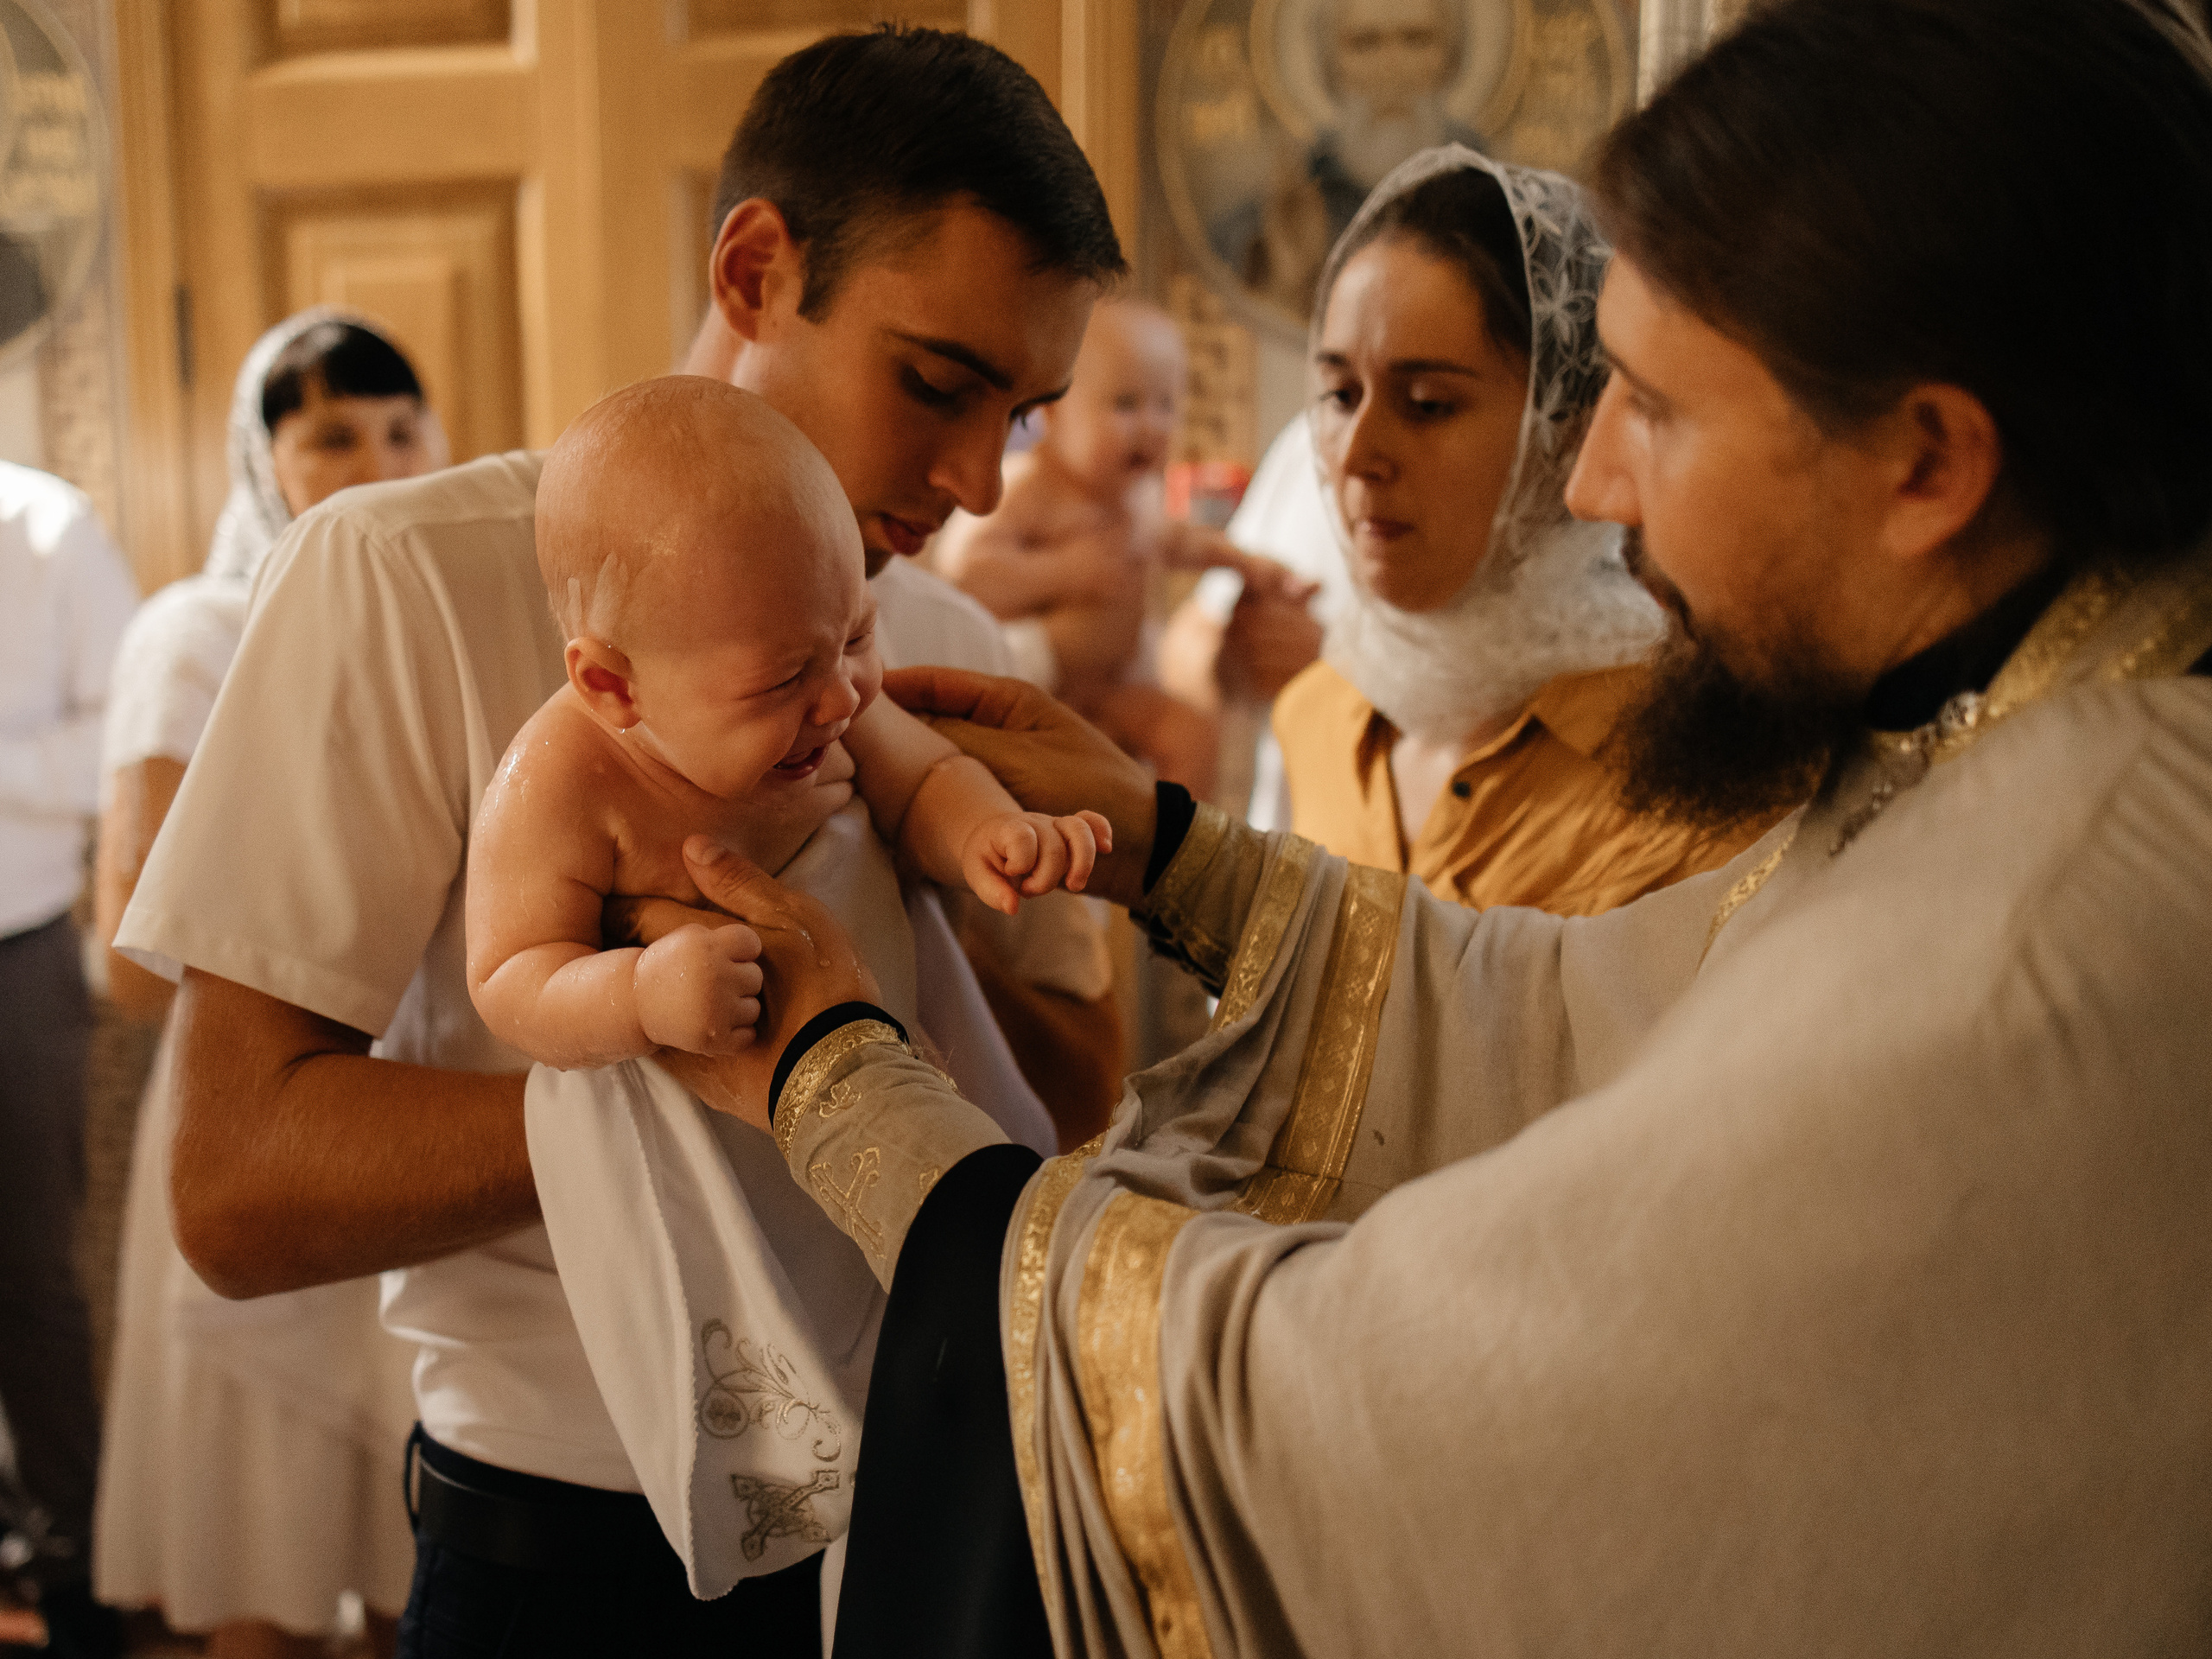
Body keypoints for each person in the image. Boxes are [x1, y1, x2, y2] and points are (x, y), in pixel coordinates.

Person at [613, 0, 2212, 1651]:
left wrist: (849, 1096)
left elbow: (1397, 1413)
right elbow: (1605, 1014)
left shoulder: (2058, 923)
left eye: (1653, 405)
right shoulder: (2033, 737)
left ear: (1929, 460)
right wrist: (1184, 850)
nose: (1594, 484)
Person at [113, 27, 1122, 1657]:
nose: (977, 482)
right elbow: (234, 1192)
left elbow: (1066, 1099)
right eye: (937, 384)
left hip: (932, 1515)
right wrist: (706, 1078)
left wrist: (1030, 885)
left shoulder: (933, 637)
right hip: (563, 1552)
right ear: (753, 267)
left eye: (1026, 410)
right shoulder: (400, 579)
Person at [92, 310, 444, 1659]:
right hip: (254, 1109)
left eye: (401, 429)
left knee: (408, 1525)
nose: (374, 460)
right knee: (264, 1541)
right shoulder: (195, 634)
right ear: (265, 460)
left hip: (409, 1105)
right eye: (331, 437)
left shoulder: (447, 618)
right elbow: (130, 951)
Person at [468, 378, 1107, 1071]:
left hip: (894, 1048)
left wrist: (984, 830)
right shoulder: (565, 780)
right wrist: (639, 996)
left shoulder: (826, 694)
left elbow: (926, 779)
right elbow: (511, 978)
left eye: (858, 637)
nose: (842, 699)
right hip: (693, 1134)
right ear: (612, 685)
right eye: (780, 680)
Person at [1273, 147, 1773, 910]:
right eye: (1341, 394)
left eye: (1429, 404)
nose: (1360, 456)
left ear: (1561, 435)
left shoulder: (1689, 766)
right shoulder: (1318, 714)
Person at [936, 299, 1301, 799]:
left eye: (1166, 405)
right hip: (1039, 690)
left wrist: (1243, 562)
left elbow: (1178, 541)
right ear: (1053, 412)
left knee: (1192, 736)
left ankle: (1177, 862)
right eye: (1126, 405)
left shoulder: (1141, 497)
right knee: (1034, 776)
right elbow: (964, 574)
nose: (1152, 425)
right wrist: (1061, 571)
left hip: (1118, 687)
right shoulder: (1029, 489)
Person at [0, 461, 136, 1659]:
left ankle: (75, 1571)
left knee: (33, 1281)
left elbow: (123, 721)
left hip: (17, 955)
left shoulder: (51, 530)